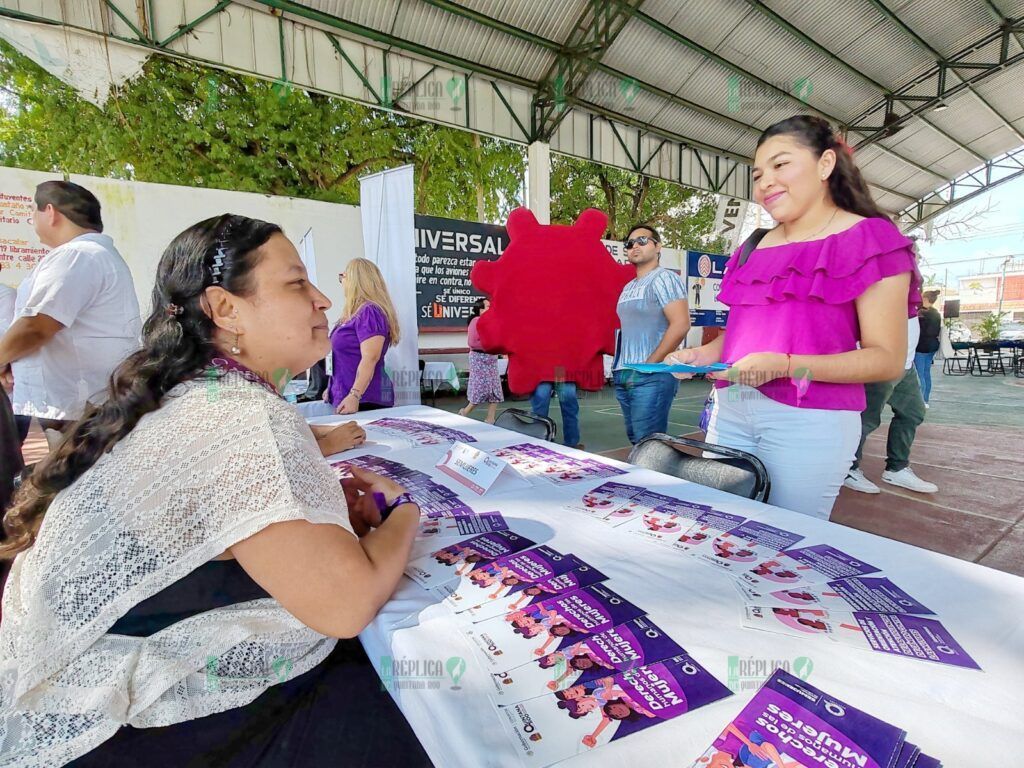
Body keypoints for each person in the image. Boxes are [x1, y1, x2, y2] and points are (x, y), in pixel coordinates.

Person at [0, 214, 427, 766]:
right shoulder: (241, 416)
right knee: (421, 703)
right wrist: (402, 510)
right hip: (122, 727)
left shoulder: (196, 394)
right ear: (225, 309)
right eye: (297, 282)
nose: (322, 299)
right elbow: (345, 605)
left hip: (72, 698)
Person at [666, 115, 920, 519]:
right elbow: (738, 336)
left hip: (809, 421)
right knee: (719, 530)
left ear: (825, 164)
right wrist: (698, 355)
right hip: (730, 409)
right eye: (758, 174)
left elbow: (886, 357)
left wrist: (785, 366)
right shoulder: (753, 246)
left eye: (781, 165)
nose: (766, 181)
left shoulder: (871, 240)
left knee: (784, 544)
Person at [0, 181, 141, 446]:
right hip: (84, 405)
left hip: (81, 410)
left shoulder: (77, 255)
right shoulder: (93, 254)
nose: (33, 221)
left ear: (50, 212)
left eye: (34, 212)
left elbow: (36, 326)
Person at [612, 224, 690, 444]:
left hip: (652, 374)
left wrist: (650, 364)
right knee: (638, 440)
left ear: (658, 247)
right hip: (624, 373)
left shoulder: (665, 278)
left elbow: (681, 324)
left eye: (642, 241)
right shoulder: (628, 287)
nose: (635, 246)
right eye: (629, 243)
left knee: (649, 444)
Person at [844, 316, 938, 495]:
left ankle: (896, 468)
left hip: (906, 365)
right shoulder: (888, 288)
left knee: (913, 413)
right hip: (881, 365)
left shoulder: (909, 293)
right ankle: (849, 468)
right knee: (867, 419)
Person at [326, 257, 400, 413]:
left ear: (355, 280)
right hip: (348, 396)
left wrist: (355, 395)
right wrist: (331, 388)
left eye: (343, 276)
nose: (341, 282)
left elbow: (370, 358)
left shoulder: (369, 312)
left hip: (366, 399)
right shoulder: (351, 314)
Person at [460, 297, 504, 423]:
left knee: (495, 388)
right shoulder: (476, 321)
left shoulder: (492, 322)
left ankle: (490, 418)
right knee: (481, 388)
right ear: (480, 309)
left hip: (491, 358)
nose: (491, 309)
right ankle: (465, 412)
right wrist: (491, 345)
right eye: (488, 307)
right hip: (479, 359)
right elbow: (473, 342)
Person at [531, 374, 582, 448]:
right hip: (543, 369)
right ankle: (539, 442)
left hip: (561, 369)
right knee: (540, 401)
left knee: (568, 399)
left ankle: (571, 443)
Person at [914, 289, 942, 406]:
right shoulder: (936, 313)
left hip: (921, 347)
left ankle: (921, 402)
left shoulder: (921, 314)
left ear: (925, 299)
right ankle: (925, 399)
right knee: (926, 373)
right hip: (932, 346)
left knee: (919, 374)